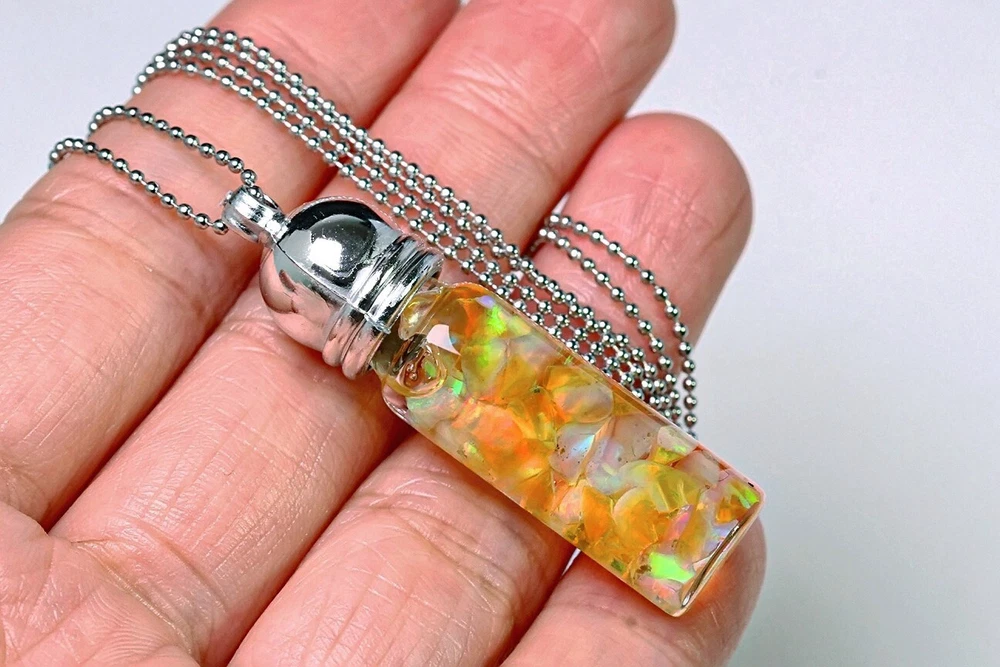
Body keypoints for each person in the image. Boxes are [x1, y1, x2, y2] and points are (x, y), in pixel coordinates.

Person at [0, 0, 764, 664]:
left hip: (666, 500)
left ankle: (694, 525)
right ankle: (684, 534)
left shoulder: (445, 343)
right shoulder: (417, 389)